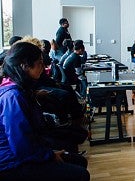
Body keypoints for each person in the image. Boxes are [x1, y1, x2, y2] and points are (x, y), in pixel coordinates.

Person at [0, 42, 90, 181]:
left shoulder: (20, 88)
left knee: (79, 161)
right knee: (81, 174)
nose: (43, 67)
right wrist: (49, 155)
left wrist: (49, 152)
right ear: (25, 65)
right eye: (40, 63)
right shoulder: (13, 97)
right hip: (12, 163)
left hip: (24, 154)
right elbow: (21, 145)